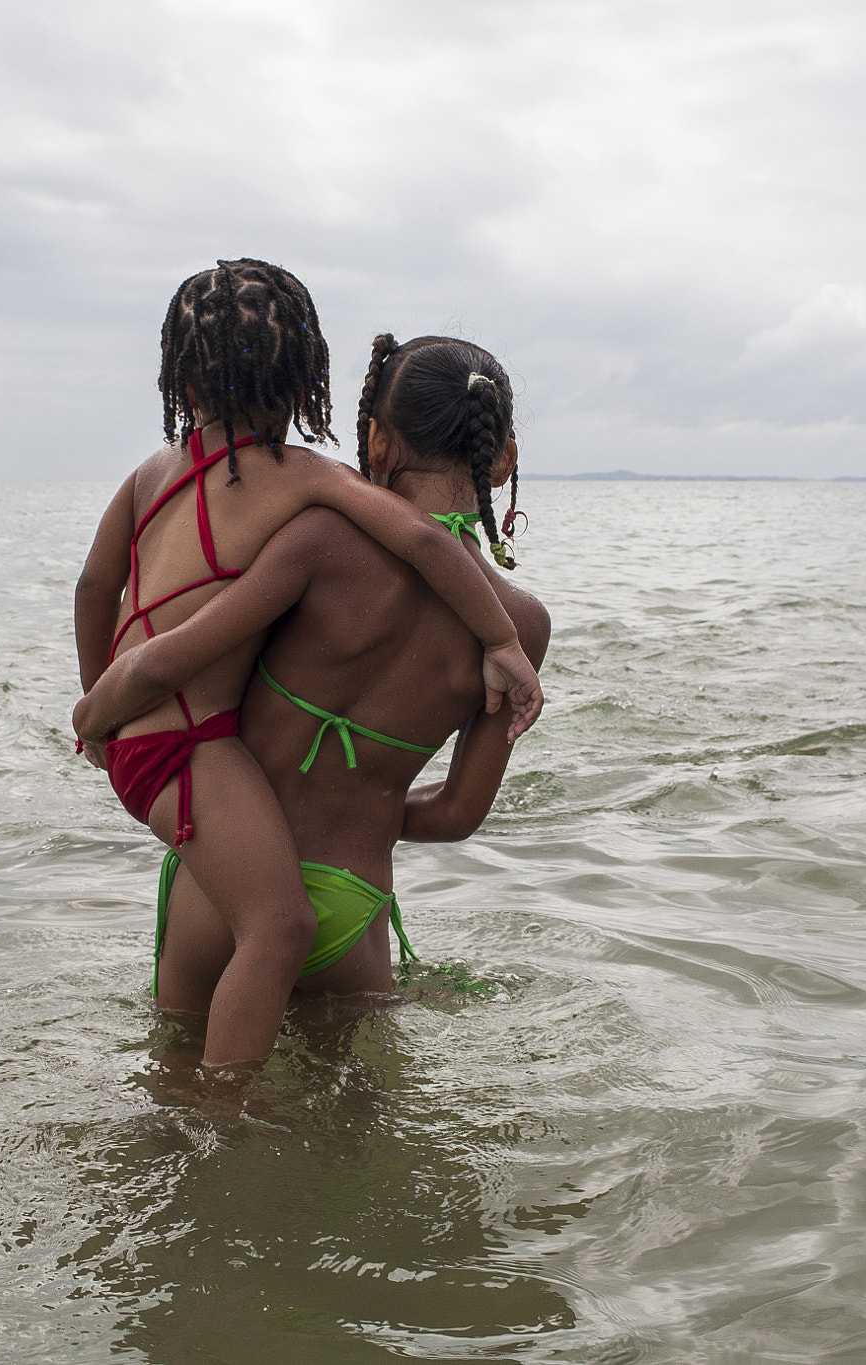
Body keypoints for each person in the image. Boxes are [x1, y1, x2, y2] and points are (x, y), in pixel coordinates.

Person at [73, 266, 543, 1074]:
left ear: (378, 442)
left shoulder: (317, 538)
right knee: (358, 1142)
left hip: (222, 884)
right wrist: (365, 807)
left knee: (179, 1105)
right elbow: (461, 812)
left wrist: (106, 702)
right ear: (502, 459)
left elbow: (171, 628)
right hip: (353, 903)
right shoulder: (523, 624)